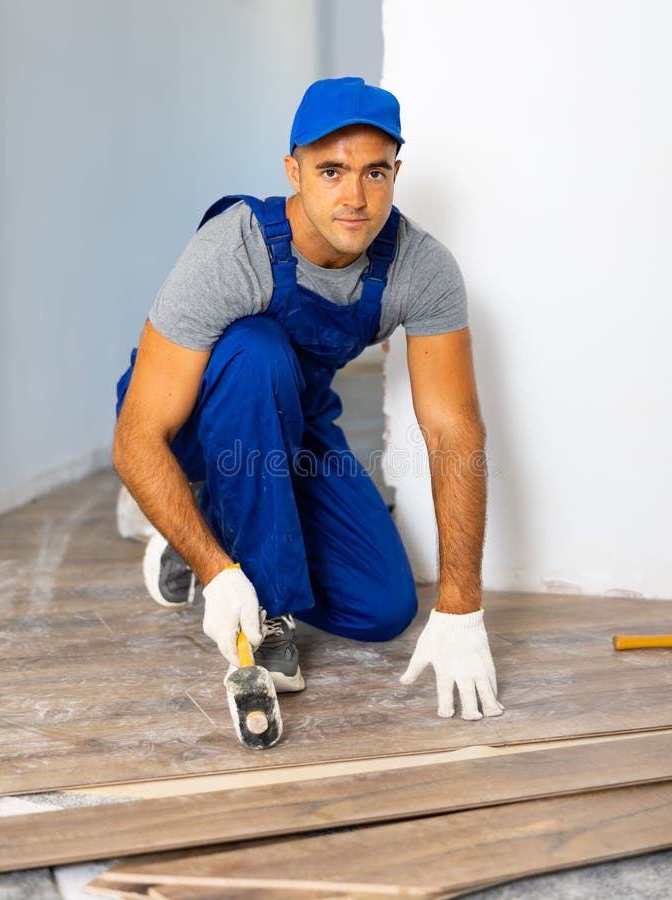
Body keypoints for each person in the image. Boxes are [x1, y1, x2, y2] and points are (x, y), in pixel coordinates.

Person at [113, 77, 503, 721]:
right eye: (331, 171)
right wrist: (217, 573)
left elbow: (453, 432)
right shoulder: (232, 252)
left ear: (396, 173)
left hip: (290, 425)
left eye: (375, 172)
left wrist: (462, 607)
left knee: (382, 608)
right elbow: (136, 438)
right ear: (293, 172)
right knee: (258, 351)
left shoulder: (421, 268)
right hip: (190, 432)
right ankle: (259, 601)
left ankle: (208, 522)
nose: (355, 198)